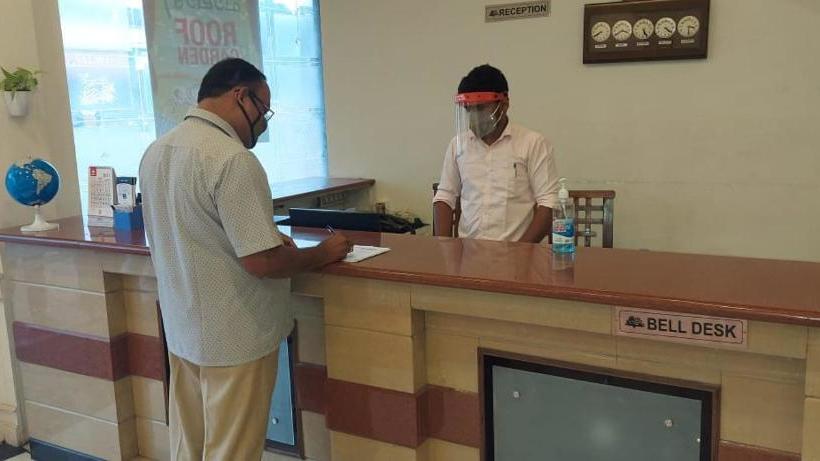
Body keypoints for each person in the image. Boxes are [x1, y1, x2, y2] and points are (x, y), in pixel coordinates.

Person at [139, 58, 350, 461]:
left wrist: (266, 239)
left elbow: (197, 231)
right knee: (232, 451)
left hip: (183, 330)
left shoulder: (157, 151)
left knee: (189, 443)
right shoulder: (232, 159)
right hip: (234, 338)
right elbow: (261, 262)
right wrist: (322, 253)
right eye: (263, 109)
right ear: (240, 96)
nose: (264, 123)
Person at [433, 64, 560, 242]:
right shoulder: (458, 145)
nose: (475, 116)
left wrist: (520, 251)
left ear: (504, 104)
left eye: (481, 108)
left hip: (516, 250)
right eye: (469, 109)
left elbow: (548, 203)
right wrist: (444, 246)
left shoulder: (533, 143)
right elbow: (445, 197)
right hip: (468, 250)